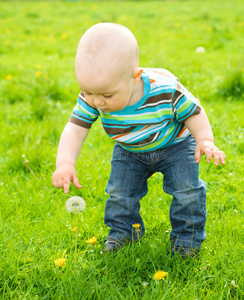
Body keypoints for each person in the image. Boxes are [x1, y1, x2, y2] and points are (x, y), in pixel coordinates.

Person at [52, 23, 225, 257]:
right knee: (120, 193)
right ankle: (124, 232)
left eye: (106, 95)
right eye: (88, 92)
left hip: (176, 145)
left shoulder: (165, 90)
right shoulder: (93, 95)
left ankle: (187, 239)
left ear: (135, 77)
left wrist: (204, 140)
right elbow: (75, 128)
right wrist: (65, 162)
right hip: (129, 150)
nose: (97, 102)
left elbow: (193, 112)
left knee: (187, 191)